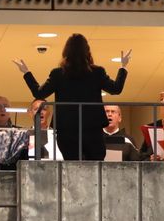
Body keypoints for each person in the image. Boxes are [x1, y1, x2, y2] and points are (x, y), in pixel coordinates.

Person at [15, 34, 129, 162]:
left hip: (66, 128)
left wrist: (26, 72)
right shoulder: (97, 72)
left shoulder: (58, 74)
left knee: (72, 165)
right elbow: (116, 89)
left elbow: (39, 93)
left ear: (66, 52)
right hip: (92, 128)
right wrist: (123, 67)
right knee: (95, 165)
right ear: (87, 51)